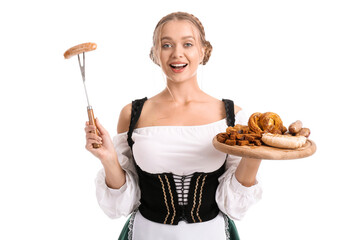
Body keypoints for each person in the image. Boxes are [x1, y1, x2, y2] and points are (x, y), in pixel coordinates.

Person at [85, 11, 262, 240]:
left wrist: (257, 153)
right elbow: (123, 204)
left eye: (188, 43)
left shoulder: (231, 117)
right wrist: (108, 159)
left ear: (203, 51)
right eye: (166, 44)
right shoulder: (132, 114)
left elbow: (235, 206)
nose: (177, 54)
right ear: (155, 53)